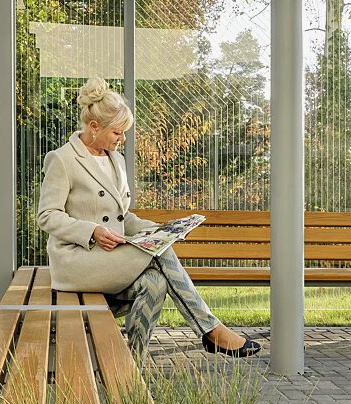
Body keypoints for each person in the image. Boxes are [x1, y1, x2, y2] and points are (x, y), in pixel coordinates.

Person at [36, 77, 261, 362]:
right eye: (117, 132)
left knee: (155, 283)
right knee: (161, 251)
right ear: (94, 127)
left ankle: (132, 369)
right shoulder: (62, 159)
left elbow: (123, 216)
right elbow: (47, 216)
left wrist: (161, 229)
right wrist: (91, 231)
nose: (122, 139)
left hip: (109, 261)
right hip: (78, 261)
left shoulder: (115, 159)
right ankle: (210, 329)